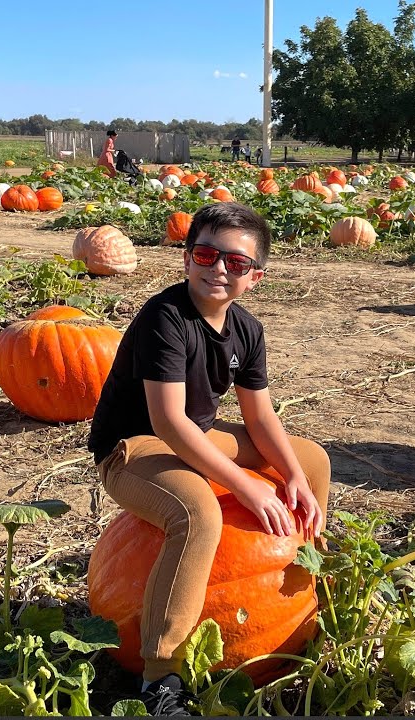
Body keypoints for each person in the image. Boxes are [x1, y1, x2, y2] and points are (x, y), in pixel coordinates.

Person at [88, 203, 331, 715]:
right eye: (205, 254)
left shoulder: (248, 331)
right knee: (197, 512)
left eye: (236, 263)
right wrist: (247, 486)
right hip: (133, 448)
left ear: (255, 277)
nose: (218, 268)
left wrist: (291, 477)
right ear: (187, 260)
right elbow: (168, 422)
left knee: (312, 460)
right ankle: (161, 674)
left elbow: (261, 419)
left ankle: (312, 576)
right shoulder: (166, 317)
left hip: (196, 434)